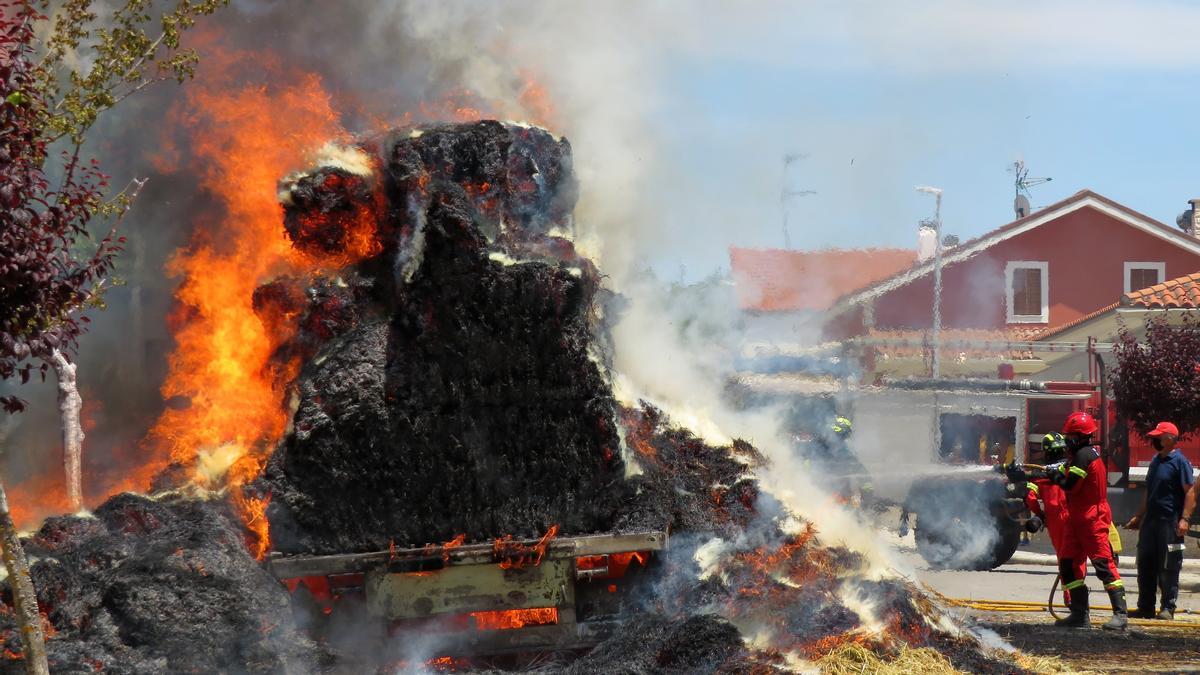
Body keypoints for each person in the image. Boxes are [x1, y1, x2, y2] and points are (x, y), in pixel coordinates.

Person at [1046, 412, 1127, 630]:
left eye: (1070, 436)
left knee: (1104, 565)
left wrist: (1056, 477)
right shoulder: (1082, 455)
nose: (1066, 440)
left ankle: (1120, 615)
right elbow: (1064, 476)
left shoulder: (1084, 455)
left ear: (1080, 436)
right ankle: (1079, 614)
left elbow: (1070, 485)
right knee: (1067, 564)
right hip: (1077, 520)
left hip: (1092, 519)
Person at [1124, 421, 1196, 620]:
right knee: (1146, 564)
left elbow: (1189, 491)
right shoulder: (1156, 460)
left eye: (1159, 437)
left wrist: (1184, 519)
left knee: (1169, 565)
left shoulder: (1180, 462)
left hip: (1170, 522)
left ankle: (1167, 608)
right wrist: (1139, 516)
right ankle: (1145, 607)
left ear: (1170, 439)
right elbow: (1149, 491)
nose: (1155, 440)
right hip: (1151, 521)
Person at [1020, 432, 1085, 605]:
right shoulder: (1071, 467)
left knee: (1063, 558)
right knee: (1078, 558)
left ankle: (1069, 598)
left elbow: (1030, 498)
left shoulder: (1040, 473)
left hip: (1055, 520)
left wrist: (1040, 515)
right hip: (1075, 517)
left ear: (1046, 452)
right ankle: (1078, 597)